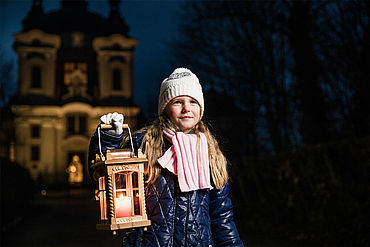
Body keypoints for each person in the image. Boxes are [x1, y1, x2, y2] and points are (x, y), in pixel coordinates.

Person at [89, 68, 244, 247]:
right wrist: (110, 137)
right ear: (165, 108)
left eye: (193, 102)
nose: (187, 108)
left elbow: (222, 216)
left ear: (200, 109)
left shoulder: (211, 154)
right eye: (178, 102)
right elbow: (102, 172)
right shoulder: (143, 143)